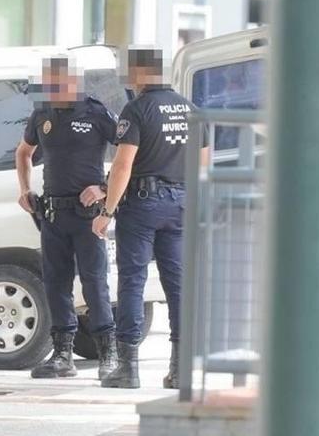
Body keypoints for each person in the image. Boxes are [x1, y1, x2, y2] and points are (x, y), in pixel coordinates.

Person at [92, 47, 208, 389]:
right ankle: (179, 368)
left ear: (142, 73)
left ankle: (128, 369)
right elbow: (203, 162)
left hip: (143, 204)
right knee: (177, 285)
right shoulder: (191, 109)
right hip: (182, 203)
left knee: (133, 280)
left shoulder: (138, 109)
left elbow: (123, 164)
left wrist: (107, 211)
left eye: (129, 73)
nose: (127, 79)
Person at [15, 55, 118, 380]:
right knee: (56, 284)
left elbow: (131, 153)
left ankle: (109, 356)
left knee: (94, 284)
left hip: (87, 215)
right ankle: (62, 355)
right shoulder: (42, 114)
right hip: (53, 214)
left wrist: (103, 188)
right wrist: (24, 189)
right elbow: (23, 152)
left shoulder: (96, 112)